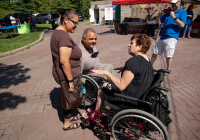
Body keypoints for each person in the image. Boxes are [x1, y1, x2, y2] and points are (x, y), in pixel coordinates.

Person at [82, 34, 154, 118]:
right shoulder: (147, 61)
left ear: (139, 47)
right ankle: (95, 108)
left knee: (100, 90)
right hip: (138, 98)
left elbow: (121, 86)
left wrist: (106, 73)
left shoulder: (133, 62)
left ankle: (94, 115)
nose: (129, 45)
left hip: (127, 100)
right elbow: (140, 72)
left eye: (132, 43)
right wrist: (125, 68)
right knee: (105, 84)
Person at [50, 9, 82, 130]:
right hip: (66, 75)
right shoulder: (63, 37)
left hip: (62, 73)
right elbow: (64, 61)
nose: (77, 26)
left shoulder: (57, 32)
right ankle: (67, 123)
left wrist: (78, 55)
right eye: (75, 22)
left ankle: (69, 118)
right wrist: (70, 81)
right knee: (69, 98)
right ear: (66, 20)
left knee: (68, 97)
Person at [151, 0, 187, 74]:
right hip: (163, 36)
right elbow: (157, 21)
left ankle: (168, 69)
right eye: (172, 3)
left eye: (174, 3)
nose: (173, 5)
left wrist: (174, 17)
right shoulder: (168, 12)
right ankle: (149, 67)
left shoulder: (183, 12)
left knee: (168, 54)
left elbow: (182, 25)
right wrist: (159, 14)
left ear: (179, 2)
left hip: (172, 36)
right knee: (155, 52)